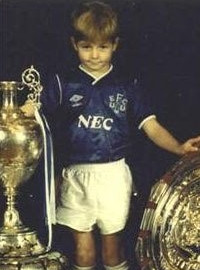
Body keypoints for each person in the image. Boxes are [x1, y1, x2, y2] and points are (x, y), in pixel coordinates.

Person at [21, 1, 200, 269]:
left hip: (113, 176)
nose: (94, 55)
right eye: (86, 47)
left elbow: (151, 126)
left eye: (102, 47)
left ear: (114, 45)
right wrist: (19, 110)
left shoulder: (126, 86)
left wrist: (178, 147)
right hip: (75, 176)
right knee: (82, 251)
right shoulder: (63, 82)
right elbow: (33, 108)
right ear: (74, 44)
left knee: (112, 250)